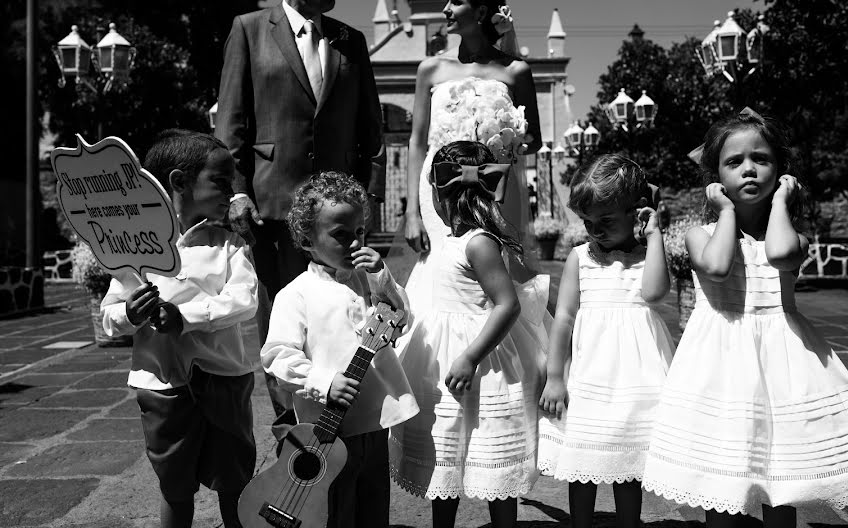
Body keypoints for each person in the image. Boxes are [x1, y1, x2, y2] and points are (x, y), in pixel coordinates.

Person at [642, 109, 848, 526]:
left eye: (761, 159)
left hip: (783, 360)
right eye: (734, 162)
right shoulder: (699, 234)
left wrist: (782, 202)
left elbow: (779, 255)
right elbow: (719, 267)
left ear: (780, 170)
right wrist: (725, 212)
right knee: (717, 475)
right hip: (720, 361)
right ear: (715, 177)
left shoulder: (792, 235)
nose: (749, 169)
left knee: (781, 472)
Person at [215, 0, 383, 430]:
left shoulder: (350, 41)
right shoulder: (248, 29)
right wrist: (237, 191)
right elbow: (232, 125)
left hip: (339, 217)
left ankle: (344, 422)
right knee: (282, 323)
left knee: (343, 315)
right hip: (271, 208)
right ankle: (292, 430)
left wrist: (368, 200)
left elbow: (370, 132)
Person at [101, 130, 259, 528]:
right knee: (174, 485)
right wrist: (130, 314)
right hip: (162, 384)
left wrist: (186, 317)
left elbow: (245, 300)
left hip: (225, 377)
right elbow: (109, 317)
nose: (233, 192)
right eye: (221, 182)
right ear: (179, 182)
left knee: (234, 479)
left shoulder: (228, 245)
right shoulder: (133, 248)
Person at [390, 141, 549, 528]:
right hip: (442, 360)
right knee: (445, 453)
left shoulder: (479, 243)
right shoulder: (448, 242)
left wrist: (471, 356)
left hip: (484, 363)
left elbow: (507, 304)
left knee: (492, 455)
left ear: (443, 196)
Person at [261, 172, 418, 528]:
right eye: (340, 235)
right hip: (327, 429)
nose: (354, 243)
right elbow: (277, 356)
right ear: (306, 239)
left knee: (374, 504)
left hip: (374, 420)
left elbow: (401, 316)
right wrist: (324, 381)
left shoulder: (368, 281)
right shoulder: (296, 294)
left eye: (360, 233)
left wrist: (382, 276)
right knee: (334, 508)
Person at [538, 155, 674, 528]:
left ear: (637, 212)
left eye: (606, 220)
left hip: (636, 379)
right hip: (590, 377)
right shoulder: (580, 259)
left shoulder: (650, 256)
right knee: (582, 463)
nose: (595, 230)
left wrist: (655, 234)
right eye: (588, 222)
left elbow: (656, 293)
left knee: (627, 465)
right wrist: (555, 376)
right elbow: (563, 318)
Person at [402, 0, 542, 319]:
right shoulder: (431, 69)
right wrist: (411, 214)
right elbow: (417, 142)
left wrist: (506, 141)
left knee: (495, 273)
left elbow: (534, 140)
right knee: (440, 269)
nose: (446, 9)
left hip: (493, 191)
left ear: (480, 12)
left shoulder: (516, 72)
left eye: (455, 1)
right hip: (437, 191)